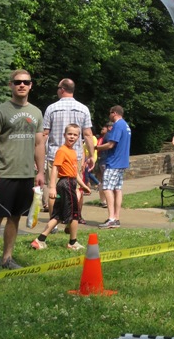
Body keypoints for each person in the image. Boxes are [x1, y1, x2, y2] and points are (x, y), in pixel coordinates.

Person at [0, 70, 45, 274]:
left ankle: (7, 258)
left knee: (15, 217)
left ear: (31, 85)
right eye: (17, 82)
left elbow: (39, 144)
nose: (22, 85)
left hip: (25, 175)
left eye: (26, 82)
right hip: (3, 173)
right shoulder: (0, 111)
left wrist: (41, 171)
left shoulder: (36, 112)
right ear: (11, 85)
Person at [31, 124, 92, 251]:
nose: (72, 137)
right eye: (69, 134)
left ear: (78, 137)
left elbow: (75, 172)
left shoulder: (73, 152)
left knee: (58, 215)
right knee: (75, 214)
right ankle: (72, 242)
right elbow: (55, 168)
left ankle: (39, 240)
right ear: (64, 135)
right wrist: (52, 187)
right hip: (66, 184)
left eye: (75, 135)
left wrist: (83, 185)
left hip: (71, 182)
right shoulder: (62, 151)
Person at [42, 78, 94, 212]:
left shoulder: (51, 108)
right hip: (74, 156)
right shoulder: (83, 109)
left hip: (55, 155)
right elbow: (88, 134)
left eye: (58, 88)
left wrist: (39, 156)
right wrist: (91, 156)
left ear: (62, 90)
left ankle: (53, 220)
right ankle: (75, 217)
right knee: (76, 188)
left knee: (52, 187)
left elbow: (45, 134)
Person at [95, 105, 131, 229]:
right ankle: (116, 218)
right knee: (117, 189)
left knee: (107, 188)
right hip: (122, 162)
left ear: (114, 113)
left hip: (114, 162)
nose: (109, 115)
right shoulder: (126, 125)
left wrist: (96, 147)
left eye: (110, 113)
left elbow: (110, 145)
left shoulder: (118, 125)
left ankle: (111, 218)